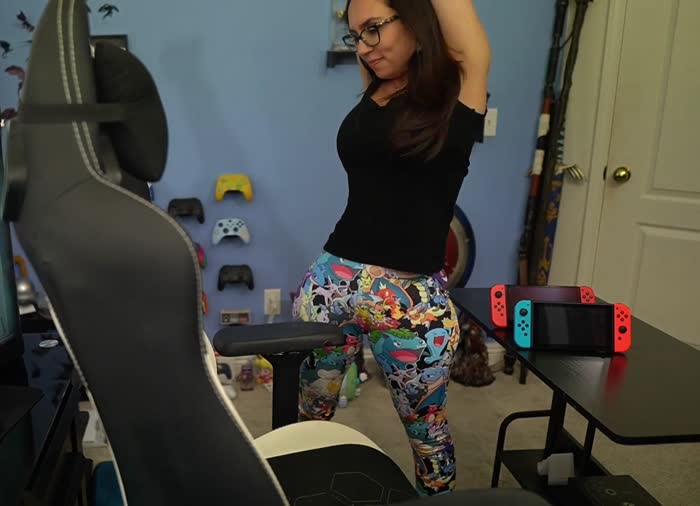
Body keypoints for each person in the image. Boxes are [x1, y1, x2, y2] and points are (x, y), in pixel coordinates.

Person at [292, 0, 490, 496]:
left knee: (427, 433)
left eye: (373, 29)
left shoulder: (457, 92)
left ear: (415, 20)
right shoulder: (374, 85)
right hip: (331, 282)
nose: (363, 47)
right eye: (355, 35)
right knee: (308, 415)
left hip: (413, 302)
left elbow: (467, 39)